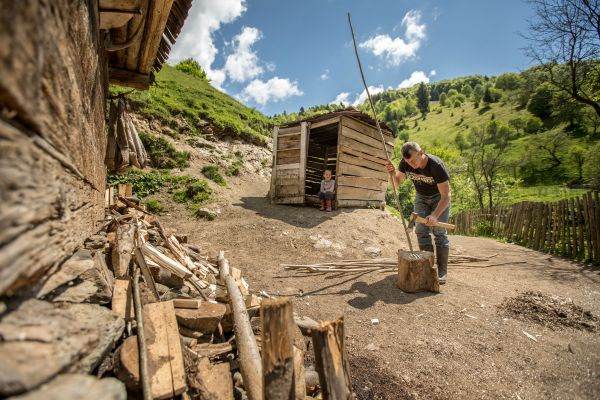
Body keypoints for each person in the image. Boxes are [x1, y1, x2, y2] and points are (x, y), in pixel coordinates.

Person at [386, 142, 451, 283]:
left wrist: (435, 215)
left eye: (415, 160)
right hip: (421, 197)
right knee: (421, 231)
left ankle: (442, 273)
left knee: (439, 232)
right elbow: (396, 184)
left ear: (421, 152)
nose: (412, 164)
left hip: (439, 198)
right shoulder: (405, 163)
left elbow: (446, 196)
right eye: (409, 162)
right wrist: (391, 175)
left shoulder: (436, 166)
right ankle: (428, 268)